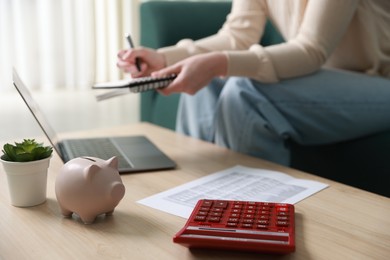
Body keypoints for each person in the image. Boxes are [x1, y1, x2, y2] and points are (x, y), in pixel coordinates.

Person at [117, 0, 390, 166]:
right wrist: (164, 58)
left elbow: (312, 49)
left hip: (378, 83)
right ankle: (196, 204)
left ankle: (257, 223)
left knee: (246, 91)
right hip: (323, 80)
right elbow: (237, 35)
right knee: (207, 85)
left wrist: (217, 64)